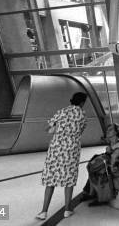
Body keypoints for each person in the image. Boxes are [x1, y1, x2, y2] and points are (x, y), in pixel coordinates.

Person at [37, 92, 87, 220]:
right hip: (72, 150)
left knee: (51, 180)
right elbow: (80, 131)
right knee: (69, 180)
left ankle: (43, 211)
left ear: (72, 100)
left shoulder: (61, 111)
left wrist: (56, 130)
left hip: (56, 149)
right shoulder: (82, 115)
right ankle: (67, 210)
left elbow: (47, 128)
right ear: (82, 102)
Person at [84, 123, 119, 206]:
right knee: (93, 170)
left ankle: (102, 198)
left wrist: (111, 167)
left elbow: (114, 156)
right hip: (118, 165)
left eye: (110, 130)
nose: (108, 131)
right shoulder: (112, 143)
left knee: (102, 173)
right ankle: (90, 193)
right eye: (107, 130)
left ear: (116, 132)